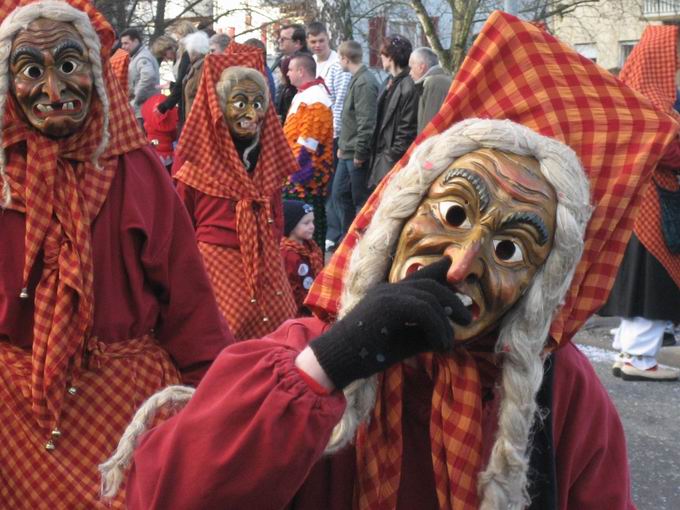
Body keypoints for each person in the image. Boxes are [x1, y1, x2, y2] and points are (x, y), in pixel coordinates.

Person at [108, 11, 678, 509]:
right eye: (453, 214)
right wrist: (330, 365)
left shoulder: (561, 390)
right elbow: (167, 492)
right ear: (401, 214)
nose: (460, 264)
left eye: (509, 250)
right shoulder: (305, 347)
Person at [0, 0, 232, 507]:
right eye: (30, 70)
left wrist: (213, 403)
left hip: (126, 411)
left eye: (69, 66)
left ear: (97, 73)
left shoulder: (138, 172)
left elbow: (188, 303)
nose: (54, 92)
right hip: (13, 415)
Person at [173, 44, 297, 341]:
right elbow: (180, 224)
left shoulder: (267, 160)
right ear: (219, 108)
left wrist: (269, 246)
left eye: (258, 104)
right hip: (216, 263)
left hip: (265, 260)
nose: (250, 113)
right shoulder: (198, 162)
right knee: (224, 335)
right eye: (239, 103)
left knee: (280, 331)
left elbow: (276, 215)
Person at [600, 25, 680, 381]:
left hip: (636, 200)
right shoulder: (651, 100)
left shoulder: (631, 93)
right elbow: (667, 149)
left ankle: (630, 351)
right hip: (650, 204)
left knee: (641, 277)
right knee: (652, 278)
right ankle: (638, 357)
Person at [305, 21, 352, 255]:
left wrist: (334, 134)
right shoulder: (310, 63)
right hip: (312, 135)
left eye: (321, 41)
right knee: (320, 186)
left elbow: (339, 102)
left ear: (328, 39)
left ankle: (333, 233)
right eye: (313, 42)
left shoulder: (335, 65)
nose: (317, 45)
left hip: (331, 134)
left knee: (333, 186)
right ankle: (321, 229)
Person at [282, 52, 334, 248]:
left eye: (291, 69)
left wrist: (294, 173)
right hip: (295, 175)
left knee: (306, 229)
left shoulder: (315, 100)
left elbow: (308, 143)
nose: (287, 73)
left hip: (304, 180)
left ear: (301, 71)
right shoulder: (306, 96)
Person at [332, 40, 378, 236]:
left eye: (339, 59)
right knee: (340, 194)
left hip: (355, 154)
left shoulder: (365, 83)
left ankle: (356, 242)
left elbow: (366, 121)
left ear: (344, 58)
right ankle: (345, 239)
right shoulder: (356, 79)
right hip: (347, 151)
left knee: (360, 201)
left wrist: (360, 152)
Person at [368, 34, 417, 189]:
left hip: (391, 162)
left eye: (382, 55)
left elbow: (407, 129)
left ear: (390, 58)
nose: (380, 58)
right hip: (383, 158)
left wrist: (390, 157)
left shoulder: (408, 85)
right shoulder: (390, 82)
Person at [281, 200, 324, 316]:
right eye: (306, 223)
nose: (312, 226)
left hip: (315, 303)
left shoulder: (311, 246)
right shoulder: (287, 254)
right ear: (291, 225)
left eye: (312, 222)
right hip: (300, 312)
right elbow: (291, 290)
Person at [120, 27, 159, 129]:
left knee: (143, 141)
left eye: (126, 43)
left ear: (136, 41)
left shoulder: (142, 57)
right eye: (122, 43)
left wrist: (136, 98)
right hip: (143, 108)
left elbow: (148, 76)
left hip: (143, 109)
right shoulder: (137, 56)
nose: (123, 47)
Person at [409, 46, 452, 133]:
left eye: (411, 67)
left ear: (421, 67)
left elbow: (430, 128)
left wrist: (422, 146)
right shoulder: (437, 81)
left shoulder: (434, 83)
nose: (410, 72)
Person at [273, 24, 308, 119]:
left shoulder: (306, 63)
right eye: (279, 38)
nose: (279, 41)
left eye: (283, 39)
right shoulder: (281, 59)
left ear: (297, 43)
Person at [181, 31, 210, 120]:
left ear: (196, 52)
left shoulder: (202, 68)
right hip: (193, 119)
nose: (188, 54)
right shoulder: (195, 67)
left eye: (189, 51)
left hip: (198, 120)